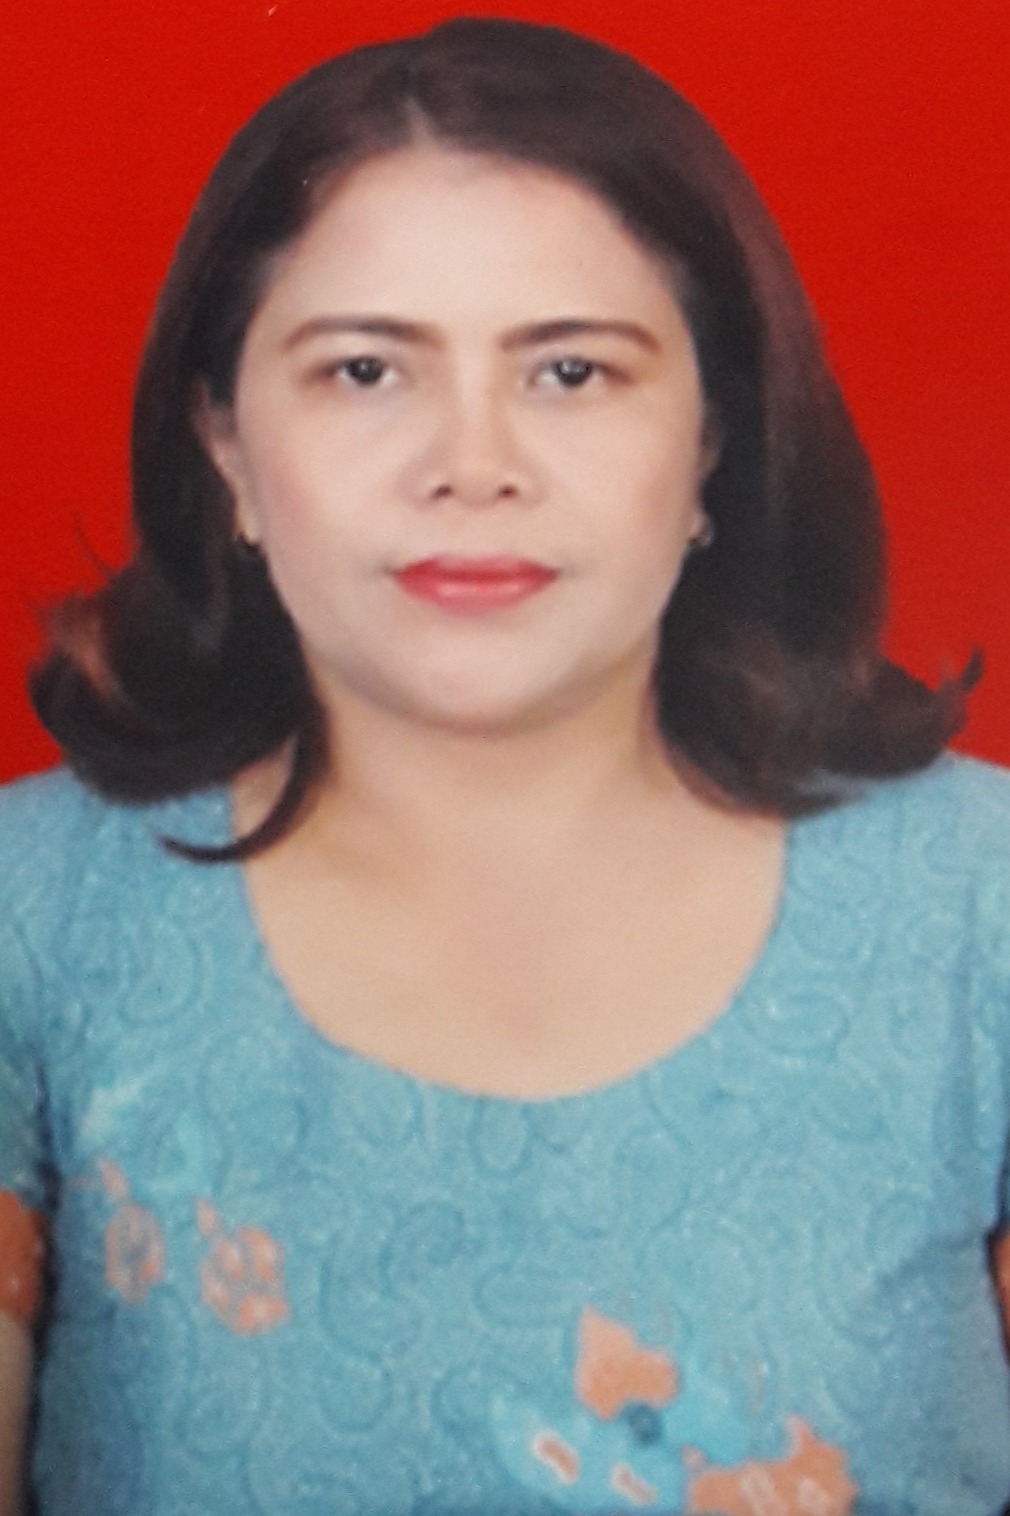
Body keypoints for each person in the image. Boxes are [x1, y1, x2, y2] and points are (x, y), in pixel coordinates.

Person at [1, 15, 1007, 1514]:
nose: (471, 465)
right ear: (226, 448)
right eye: (362, 371)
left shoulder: (980, 905)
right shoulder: (34, 914)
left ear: (712, 442)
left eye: (572, 373)